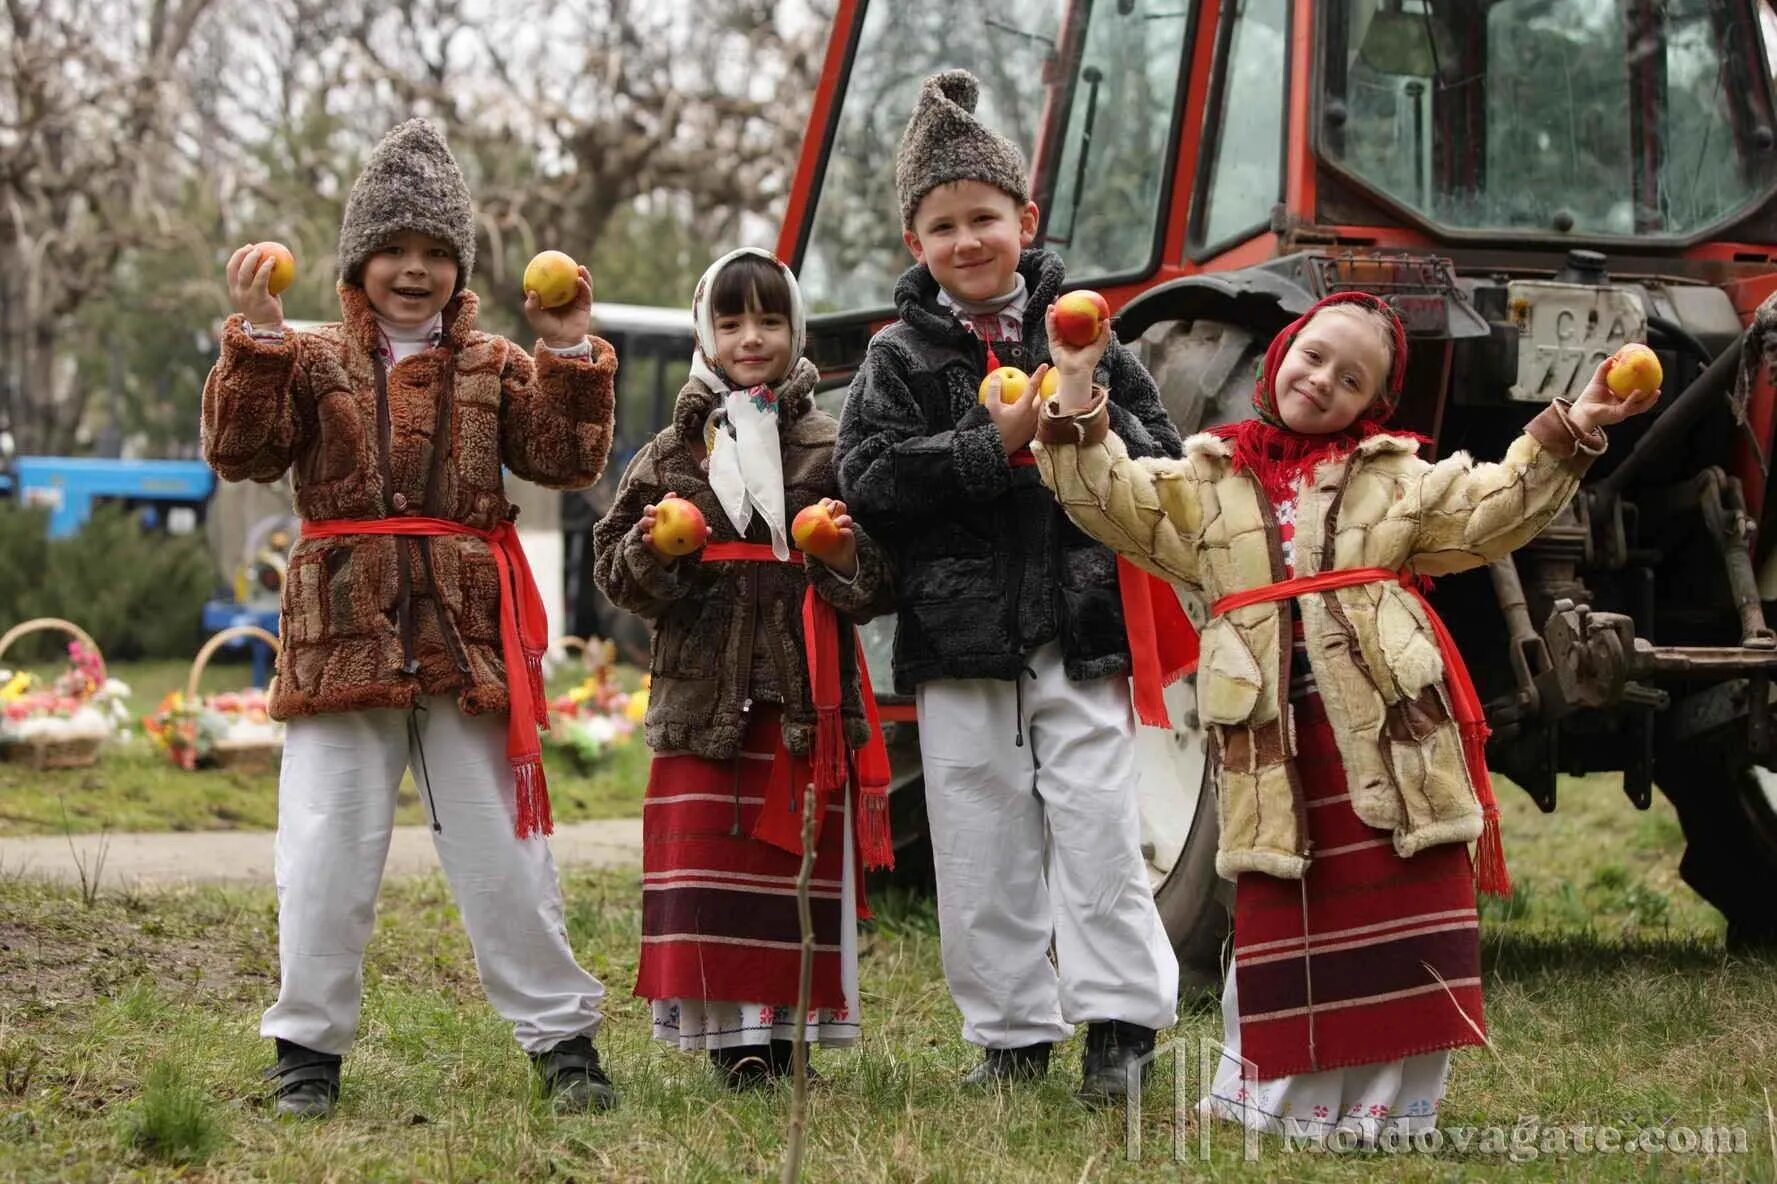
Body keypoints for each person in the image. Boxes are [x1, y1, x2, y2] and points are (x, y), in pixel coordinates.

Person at [1031, 290, 1659, 1142]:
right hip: (1268, 738)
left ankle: (1391, 1110)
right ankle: (1266, 1097)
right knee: (1277, 904)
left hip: (1388, 732)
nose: (1323, 380)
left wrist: (1575, 421)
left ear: (1373, 404)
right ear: (1279, 352)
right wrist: (1074, 380)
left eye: (1351, 377)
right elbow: (1105, 496)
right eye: (1313, 356)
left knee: (1398, 913)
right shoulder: (1205, 478)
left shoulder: (1397, 478)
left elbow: (1496, 505)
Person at [201, 118, 620, 1117]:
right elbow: (240, 450)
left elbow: (564, 460)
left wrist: (565, 347)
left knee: (504, 850)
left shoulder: (494, 362)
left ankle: (563, 1043)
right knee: (324, 847)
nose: (414, 269)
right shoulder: (307, 358)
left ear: (460, 267)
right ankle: (306, 1050)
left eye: (436, 252)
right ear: (357, 261)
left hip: (465, 628)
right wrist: (257, 329)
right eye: (394, 249)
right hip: (341, 625)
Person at [834, 69, 1183, 1101]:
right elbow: (867, 477)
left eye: (983, 216)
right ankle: (1010, 1030)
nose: (965, 240)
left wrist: (1092, 424)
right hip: (958, 630)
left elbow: (1160, 455)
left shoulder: (1082, 333)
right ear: (915, 241)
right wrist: (992, 440)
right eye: (940, 224)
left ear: (1023, 220)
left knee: (1096, 819)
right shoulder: (894, 356)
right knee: (978, 829)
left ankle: (1120, 1022)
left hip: (1080, 617)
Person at [591, 247, 896, 1089]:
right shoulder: (667, 454)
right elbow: (615, 574)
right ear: (705, 332)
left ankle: (788, 1038)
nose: (750, 337)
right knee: (713, 872)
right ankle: (732, 1045)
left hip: (803, 698)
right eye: (731, 322)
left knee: (788, 871)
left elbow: (877, 581)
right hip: (702, 697)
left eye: (768, 319)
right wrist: (656, 548)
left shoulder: (833, 445)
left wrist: (838, 551)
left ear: (795, 327)